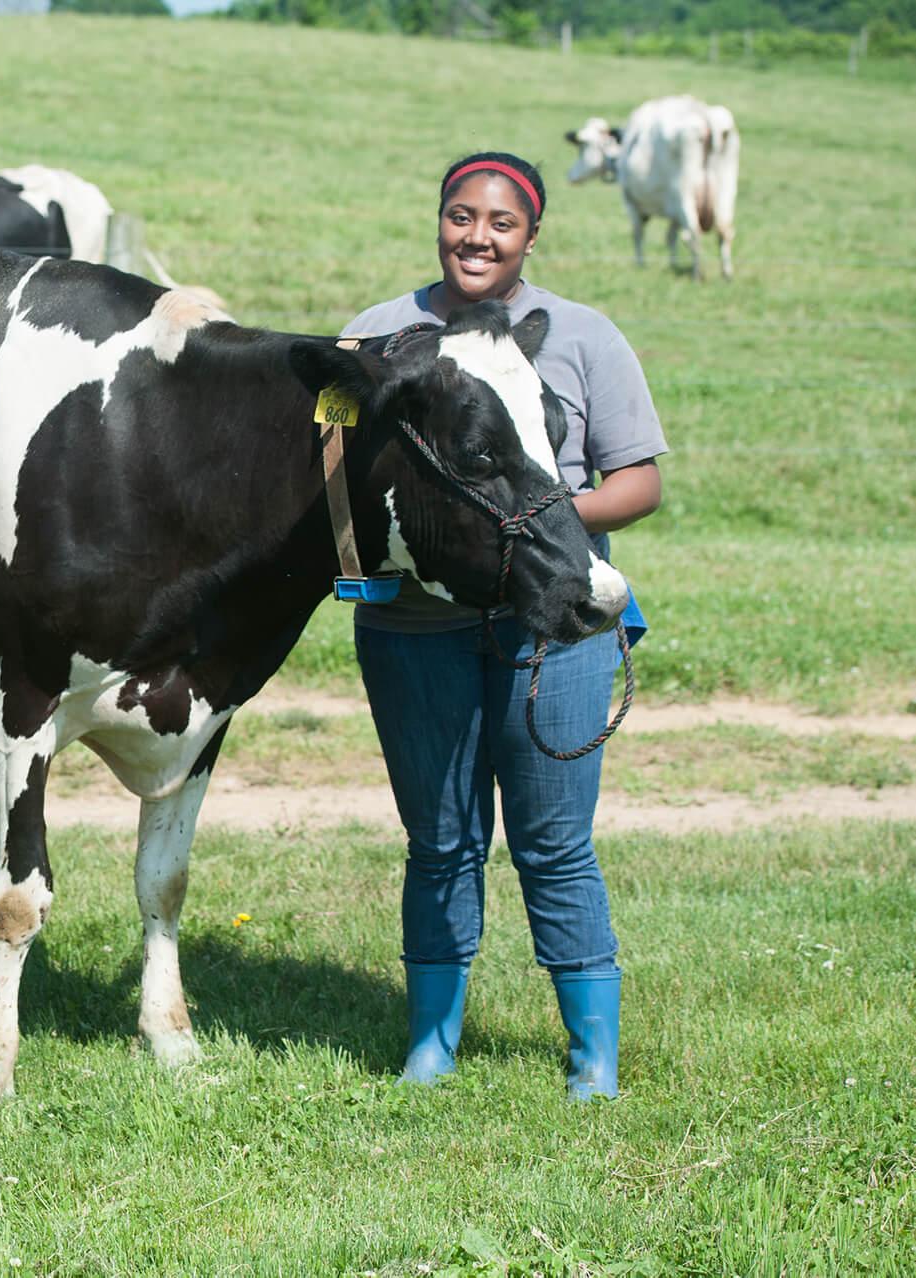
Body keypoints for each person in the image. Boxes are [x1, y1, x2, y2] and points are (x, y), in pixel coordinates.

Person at [342, 152, 666, 1100]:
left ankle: (591, 1058)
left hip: (555, 626)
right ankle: (431, 1045)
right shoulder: (375, 338)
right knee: (438, 840)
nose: (475, 238)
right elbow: (326, 472)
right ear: (437, 220)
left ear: (531, 235)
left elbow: (638, 481)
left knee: (551, 841)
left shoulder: (581, 337)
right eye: (458, 216)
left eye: (500, 223)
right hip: (412, 625)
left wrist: (536, 524)